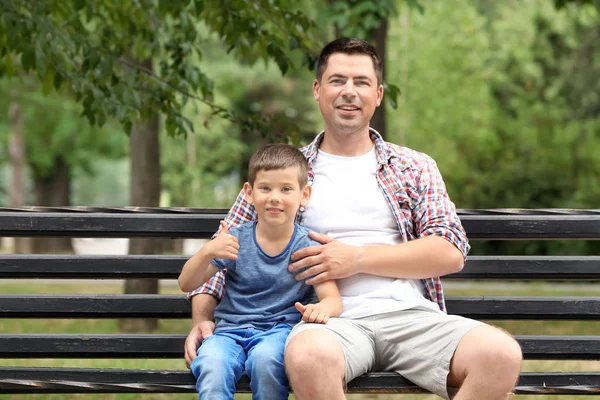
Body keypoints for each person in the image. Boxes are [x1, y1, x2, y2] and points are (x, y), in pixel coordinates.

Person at [185, 38, 522, 400]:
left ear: (377, 94)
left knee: (499, 354)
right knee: (306, 355)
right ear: (317, 90)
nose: (349, 92)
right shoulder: (283, 173)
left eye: (361, 82)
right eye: (337, 80)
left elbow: (450, 250)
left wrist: (356, 259)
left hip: (411, 317)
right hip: (327, 324)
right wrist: (202, 319)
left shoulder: (414, 166)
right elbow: (227, 248)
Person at [178, 143, 342, 400]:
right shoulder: (234, 240)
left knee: (266, 362)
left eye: (286, 189)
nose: (275, 197)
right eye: (265, 188)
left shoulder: (308, 247)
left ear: (304, 195)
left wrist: (321, 310)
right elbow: (186, 283)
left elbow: (333, 299)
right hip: (228, 331)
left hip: (278, 332)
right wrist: (208, 251)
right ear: (249, 192)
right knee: (212, 363)